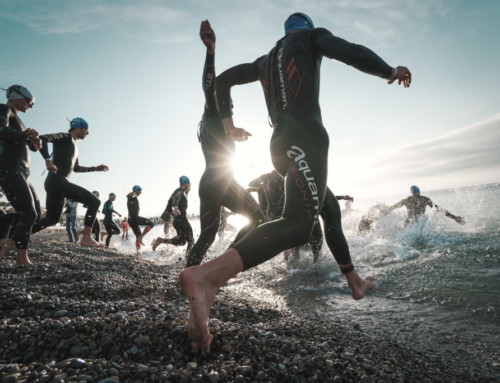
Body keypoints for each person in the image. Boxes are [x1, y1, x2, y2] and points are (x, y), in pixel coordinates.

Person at [179, 14, 412, 353]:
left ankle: (355, 282)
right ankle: (208, 276)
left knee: (328, 210)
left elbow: (224, 80)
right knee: (299, 225)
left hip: (279, 146)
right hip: (306, 139)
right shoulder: (311, 38)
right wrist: (390, 71)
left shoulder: (265, 60)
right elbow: (352, 51)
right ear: (304, 27)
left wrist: (229, 126)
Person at [173, 21, 265, 267]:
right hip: (222, 183)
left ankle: (189, 275)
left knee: (207, 236)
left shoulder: (214, 124)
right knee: (259, 218)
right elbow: (210, 88)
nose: (231, 108)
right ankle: (224, 265)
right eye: (229, 104)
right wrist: (211, 52)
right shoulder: (213, 111)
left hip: (208, 183)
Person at [31, 118, 108, 247]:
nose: (87, 134)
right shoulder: (65, 136)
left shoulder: (75, 147)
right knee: (94, 201)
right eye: (87, 130)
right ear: (80, 127)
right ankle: (87, 238)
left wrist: (94, 168)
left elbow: (76, 168)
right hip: (57, 181)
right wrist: (47, 160)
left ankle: (14, 237)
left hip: (55, 183)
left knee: (52, 218)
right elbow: (43, 138)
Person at [0, 85, 42, 265]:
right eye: (29, 101)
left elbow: (24, 143)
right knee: (28, 212)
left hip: (23, 172)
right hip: (9, 168)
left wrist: (35, 142)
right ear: (16, 96)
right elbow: (1, 130)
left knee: (37, 215)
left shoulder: (19, 119)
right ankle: (21, 259)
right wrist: (24, 135)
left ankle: (3, 230)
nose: (31, 106)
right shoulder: (4, 109)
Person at [386, 186, 466, 227]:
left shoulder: (407, 200)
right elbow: (438, 209)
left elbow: (392, 207)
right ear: (419, 192)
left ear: (411, 192)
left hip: (409, 223)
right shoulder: (425, 199)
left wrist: (384, 211)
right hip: (420, 223)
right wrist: (454, 217)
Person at [153, 176, 195, 254]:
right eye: (189, 184)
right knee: (191, 240)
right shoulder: (179, 191)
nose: (189, 186)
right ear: (187, 183)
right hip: (182, 220)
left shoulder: (182, 192)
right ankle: (189, 259)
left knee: (182, 242)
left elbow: (178, 197)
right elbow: (175, 199)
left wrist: (188, 188)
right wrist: (175, 208)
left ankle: (161, 240)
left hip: (177, 221)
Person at [127, 185, 155, 250]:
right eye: (140, 191)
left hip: (130, 219)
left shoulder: (133, 198)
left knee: (138, 236)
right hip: (134, 218)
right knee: (151, 224)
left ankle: (138, 252)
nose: (140, 192)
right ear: (137, 190)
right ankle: (141, 237)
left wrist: (134, 194)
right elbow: (130, 195)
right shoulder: (131, 196)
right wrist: (133, 193)